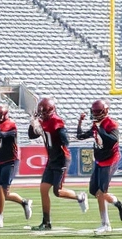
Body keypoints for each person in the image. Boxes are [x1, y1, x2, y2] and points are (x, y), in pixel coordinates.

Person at [27, 97, 87, 230]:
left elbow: (64, 138)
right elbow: (31, 136)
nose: (43, 115)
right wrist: (33, 124)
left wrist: (61, 137)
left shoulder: (56, 121)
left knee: (57, 191)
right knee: (43, 189)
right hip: (51, 159)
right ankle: (46, 222)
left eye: (45, 112)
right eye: (41, 112)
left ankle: (80, 197)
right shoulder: (42, 121)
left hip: (61, 159)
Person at [75, 100, 122, 235]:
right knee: (95, 191)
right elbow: (80, 136)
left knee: (101, 192)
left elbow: (113, 140)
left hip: (110, 160)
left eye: (98, 112)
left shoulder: (111, 124)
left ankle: (106, 224)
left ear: (105, 111)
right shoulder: (95, 125)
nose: (95, 114)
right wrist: (80, 122)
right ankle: (118, 203)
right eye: (94, 112)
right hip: (99, 160)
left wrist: (99, 128)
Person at [0, 104, 33, 228]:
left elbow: (2, 133)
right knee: (0, 189)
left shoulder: (10, 124)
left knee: (2, 190)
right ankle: (24, 202)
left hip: (11, 160)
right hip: (2, 161)